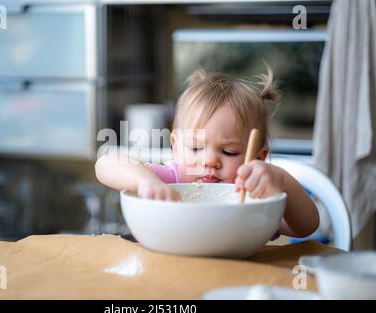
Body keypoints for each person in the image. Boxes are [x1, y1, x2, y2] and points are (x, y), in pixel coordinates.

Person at [95, 67, 319, 238]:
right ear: (175, 146)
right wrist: (145, 180)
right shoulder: (170, 180)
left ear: (258, 157)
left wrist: (281, 180)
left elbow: (306, 227)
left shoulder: (255, 195)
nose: (210, 161)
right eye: (195, 148)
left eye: (230, 152)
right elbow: (104, 165)